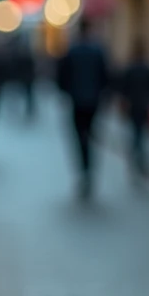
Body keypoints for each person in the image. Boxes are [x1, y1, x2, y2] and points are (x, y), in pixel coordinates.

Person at [56, 18, 111, 197]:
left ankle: (84, 167)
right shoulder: (98, 51)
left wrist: (67, 92)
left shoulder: (72, 51)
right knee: (91, 134)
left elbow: (62, 76)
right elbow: (106, 76)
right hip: (93, 101)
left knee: (80, 136)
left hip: (77, 100)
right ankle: (89, 167)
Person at [117, 38, 149, 178]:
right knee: (141, 134)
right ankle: (140, 160)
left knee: (136, 133)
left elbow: (123, 90)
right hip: (144, 107)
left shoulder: (129, 69)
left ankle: (136, 158)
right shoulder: (148, 69)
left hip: (134, 107)